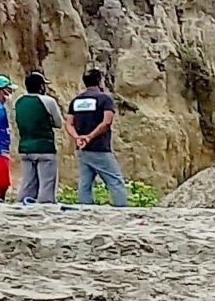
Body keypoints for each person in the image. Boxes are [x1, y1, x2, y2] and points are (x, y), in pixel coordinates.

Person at [68, 67, 130, 208]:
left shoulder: (76, 101)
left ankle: (85, 207)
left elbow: (69, 123)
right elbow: (106, 122)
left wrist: (78, 137)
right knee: (115, 180)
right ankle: (121, 208)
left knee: (85, 182)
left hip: (81, 147)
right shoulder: (104, 99)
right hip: (100, 147)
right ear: (100, 81)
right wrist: (90, 137)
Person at [12, 70, 68, 206]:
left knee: (27, 183)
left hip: (25, 147)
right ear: (41, 86)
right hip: (44, 147)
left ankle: (23, 206)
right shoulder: (48, 101)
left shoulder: (19, 101)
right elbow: (59, 123)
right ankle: (45, 207)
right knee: (47, 185)